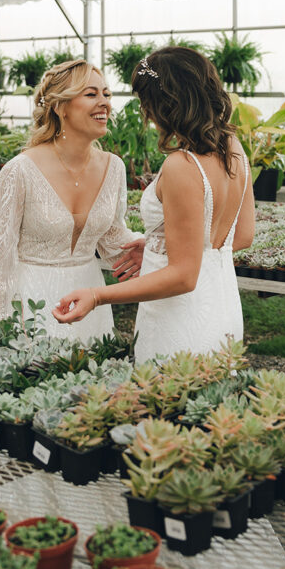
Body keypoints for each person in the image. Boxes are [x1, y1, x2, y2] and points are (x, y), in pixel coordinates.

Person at [53, 46, 254, 361]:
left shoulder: (182, 166)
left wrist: (96, 295)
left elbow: (184, 276)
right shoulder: (233, 148)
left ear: (165, 104)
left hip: (180, 320)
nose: (146, 113)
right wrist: (161, 243)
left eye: (146, 103)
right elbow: (239, 236)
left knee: (161, 403)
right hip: (223, 309)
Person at [0, 59, 144, 339]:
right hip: (30, 304)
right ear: (61, 107)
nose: (105, 103)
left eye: (106, 94)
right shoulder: (20, 170)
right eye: (91, 94)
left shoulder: (114, 167)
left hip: (88, 303)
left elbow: (111, 237)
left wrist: (148, 246)